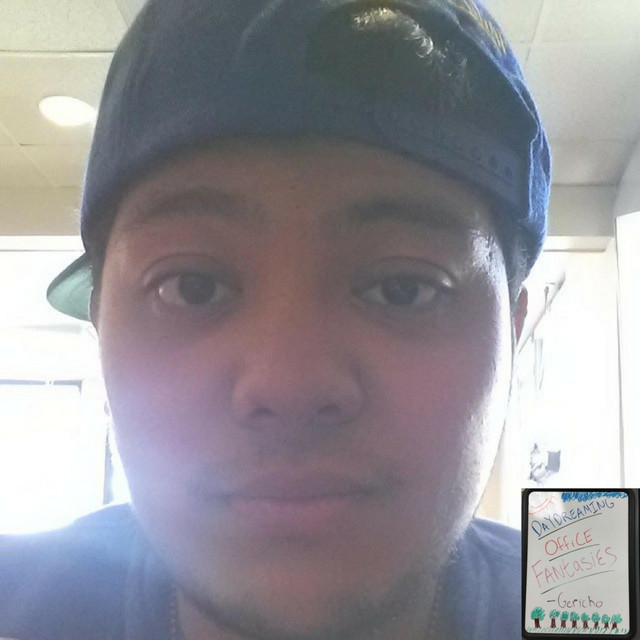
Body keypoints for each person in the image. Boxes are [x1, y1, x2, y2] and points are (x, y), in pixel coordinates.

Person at [0, 1, 550, 639]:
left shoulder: (588, 602)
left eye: (403, 289)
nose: (288, 385)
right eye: (192, 287)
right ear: (100, 326)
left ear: (512, 335)